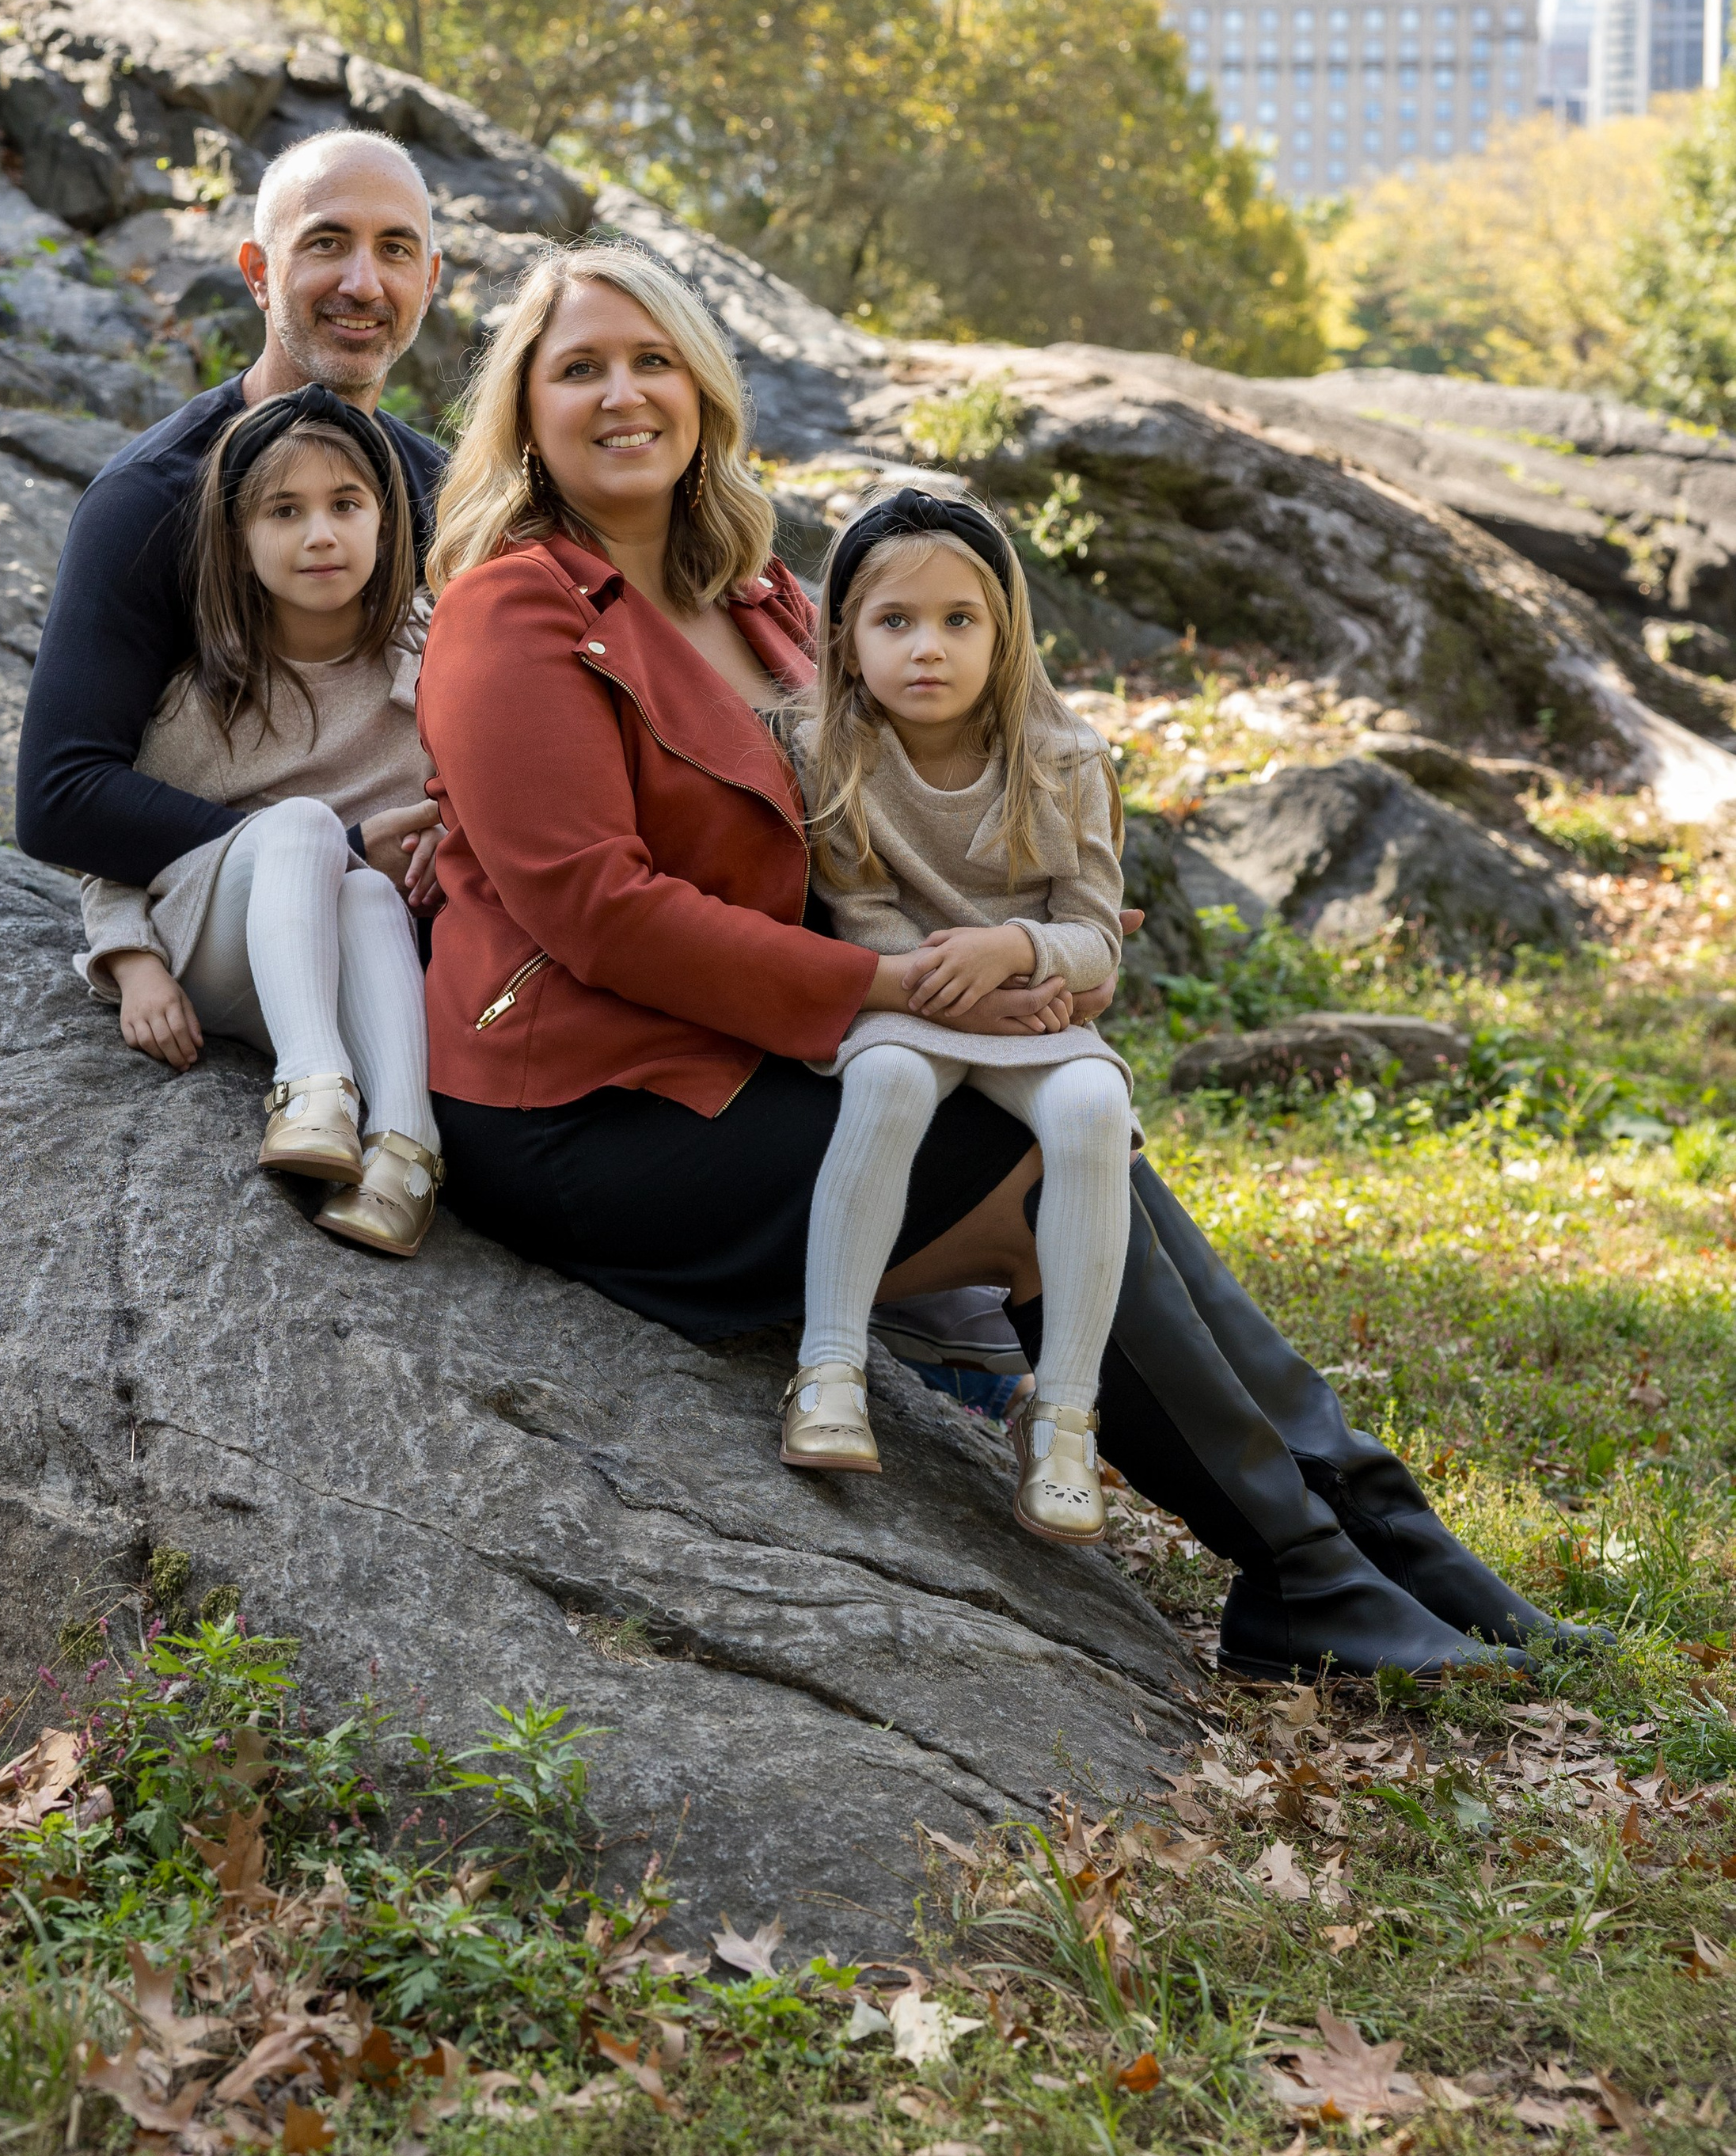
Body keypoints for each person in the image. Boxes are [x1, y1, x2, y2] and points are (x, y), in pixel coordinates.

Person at [415, 235, 1587, 1681]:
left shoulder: (771, 600)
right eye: (578, 368)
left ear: (706, 391)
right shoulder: (512, 609)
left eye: (651, 359)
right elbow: (596, 907)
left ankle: (1372, 1534)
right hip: (590, 1105)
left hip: (785, 1037)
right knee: (1036, 1178)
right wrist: (896, 986)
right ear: (523, 410)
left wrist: (1038, 938)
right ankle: (1308, 1571)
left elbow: (922, 793)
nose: (621, 395)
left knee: (1088, 1139)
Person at [780, 489, 1135, 1548]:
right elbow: (863, 909)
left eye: (957, 621)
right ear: (846, 635)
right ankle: (829, 1368)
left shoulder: (1064, 759)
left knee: (1091, 1113)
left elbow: (1094, 932)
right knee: (884, 1083)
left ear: (1004, 632)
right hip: (914, 1004)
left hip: (1040, 1015)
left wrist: (1017, 952)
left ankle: (1063, 1416)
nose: (926, 648)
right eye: (896, 622)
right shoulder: (831, 752)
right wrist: (966, 980)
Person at [16, 130, 447, 889]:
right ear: (258, 272)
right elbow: (61, 798)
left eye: (396, 250)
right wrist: (333, 857)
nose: (364, 282)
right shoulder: (148, 500)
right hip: (225, 946)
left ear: (431, 279)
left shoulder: (442, 493)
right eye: (327, 243)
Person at [76, 384, 441, 1255]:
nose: (320, 533)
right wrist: (133, 965)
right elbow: (104, 846)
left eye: (345, 505)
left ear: (385, 524)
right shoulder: (206, 701)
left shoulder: (429, 664)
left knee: (367, 899)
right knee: (304, 827)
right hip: (222, 947)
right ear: (241, 546)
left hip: (353, 959)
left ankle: (406, 1148)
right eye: (285, 511)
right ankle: (314, 1088)